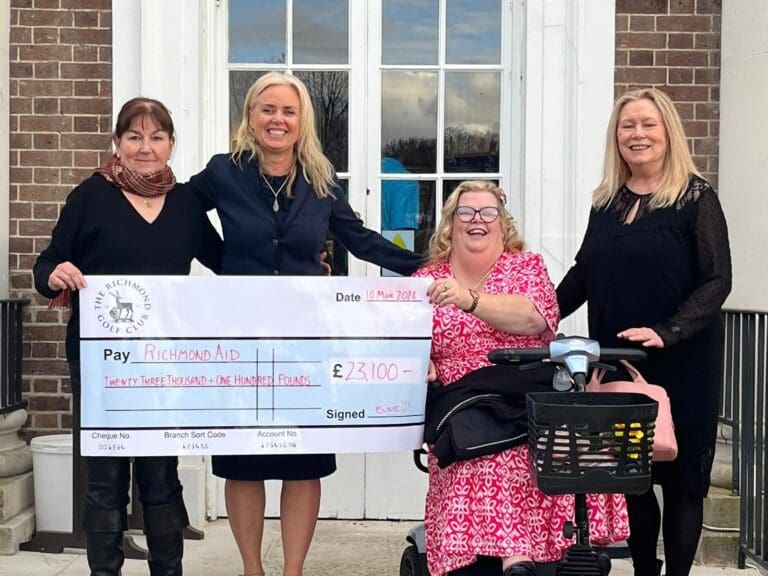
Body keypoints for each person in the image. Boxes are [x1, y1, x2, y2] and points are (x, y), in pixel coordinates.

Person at [187, 71, 422, 576]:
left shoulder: (320, 180)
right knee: (242, 461)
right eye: (267, 109)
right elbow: (181, 215)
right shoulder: (223, 172)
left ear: (301, 122)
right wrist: (224, 262)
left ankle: (292, 570)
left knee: (303, 460)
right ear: (250, 117)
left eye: (288, 111)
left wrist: (428, 266)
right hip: (242, 340)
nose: (278, 119)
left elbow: (361, 240)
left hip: (305, 344)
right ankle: (253, 568)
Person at [33, 98, 223, 575]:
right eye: (135, 137)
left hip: (164, 363)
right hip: (103, 364)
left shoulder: (185, 204)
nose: (146, 147)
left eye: (156, 137)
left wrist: (299, 273)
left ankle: (168, 570)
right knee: (105, 477)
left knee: (161, 473)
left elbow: (231, 264)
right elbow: (46, 264)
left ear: (171, 145)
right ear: (117, 143)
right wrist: (56, 273)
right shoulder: (89, 197)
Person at [556, 88, 732, 576]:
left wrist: (667, 330)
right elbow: (583, 274)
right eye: (627, 125)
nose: (637, 134)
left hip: (683, 362)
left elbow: (718, 279)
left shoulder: (695, 198)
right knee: (632, 477)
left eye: (648, 124)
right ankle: (643, 570)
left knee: (680, 482)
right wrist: (540, 311)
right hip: (620, 363)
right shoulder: (606, 204)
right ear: (616, 136)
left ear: (667, 131)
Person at [414, 180, 629, 576]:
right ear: (450, 223)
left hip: (525, 386)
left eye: (487, 212)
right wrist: (417, 361)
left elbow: (535, 318)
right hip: (464, 398)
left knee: (569, 446)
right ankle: (518, 560)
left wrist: (469, 300)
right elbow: (406, 337)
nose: (477, 220)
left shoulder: (525, 267)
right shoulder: (427, 278)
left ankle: (553, 555)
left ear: (502, 222)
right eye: (466, 212)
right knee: (490, 454)